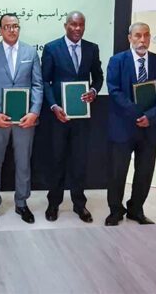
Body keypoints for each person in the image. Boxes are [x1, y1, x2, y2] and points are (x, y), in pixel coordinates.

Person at [105, 22, 156, 226]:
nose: (142, 40)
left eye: (146, 35)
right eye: (137, 35)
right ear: (130, 38)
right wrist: (137, 113)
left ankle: (136, 210)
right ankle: (115, 211)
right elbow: (114, 90)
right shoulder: (117, 61)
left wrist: (150, 116)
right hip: (123, 128)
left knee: (144, 173)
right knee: (118, 173)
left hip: (149, 128)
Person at [0, 13, 43, 226]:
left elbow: (37, 85)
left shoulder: (30, 52)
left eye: (15, 26)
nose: (12, 30)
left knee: (23, 163)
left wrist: (34, 112)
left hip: (25, 120)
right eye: (7, 26)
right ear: (0, 30)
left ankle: (22, 203)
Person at [41, 11, 103, 223]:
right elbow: (45, 81)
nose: (77, 28)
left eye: (81, 25)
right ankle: (53, 203)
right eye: (73, 24)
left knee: (79, 161)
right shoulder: (51, 48)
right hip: (59, 116)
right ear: (65, 25)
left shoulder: (92, 48)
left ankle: (79, 204)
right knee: (57, 161)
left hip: (82, 117)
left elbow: (98, 77)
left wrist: (93, 91)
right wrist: (54, 106)